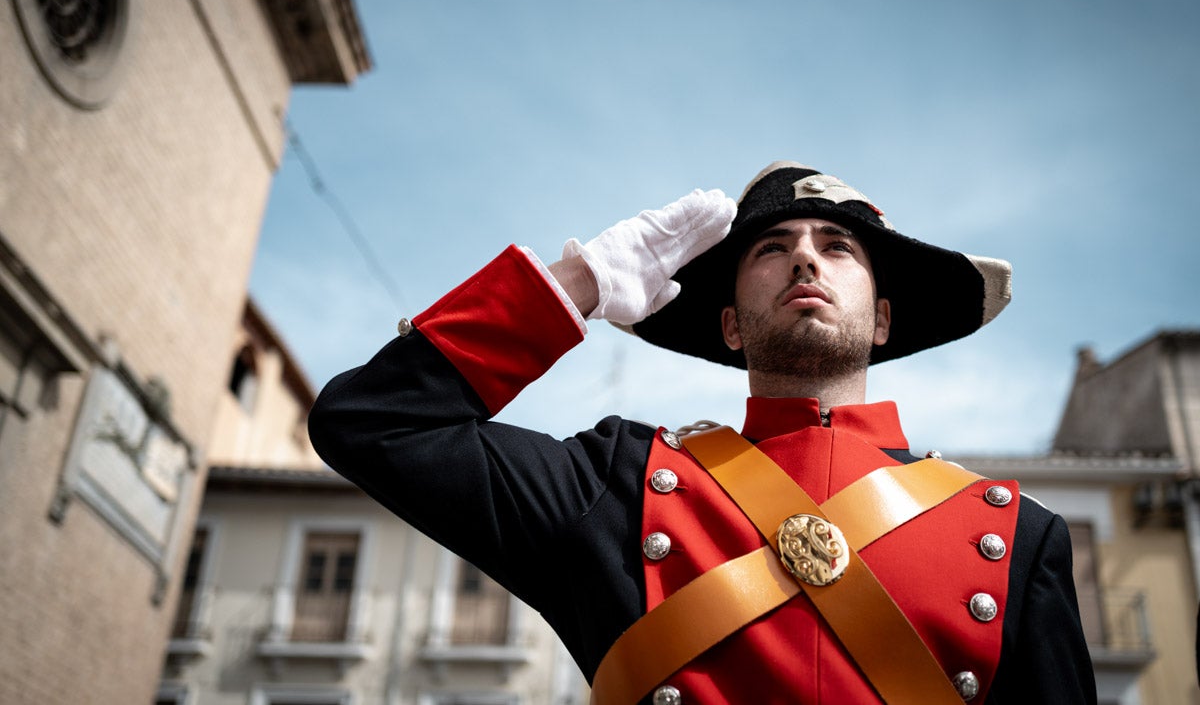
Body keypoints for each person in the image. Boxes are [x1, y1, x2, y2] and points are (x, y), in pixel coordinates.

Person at [308, 162, 1097, 704]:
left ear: (883, 317)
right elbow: (371, 421)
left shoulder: (1015, 536)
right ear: (728, 323)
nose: (804, 261)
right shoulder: (614, 488)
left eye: (837, 247)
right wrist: (574, 285)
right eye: (772, 248)